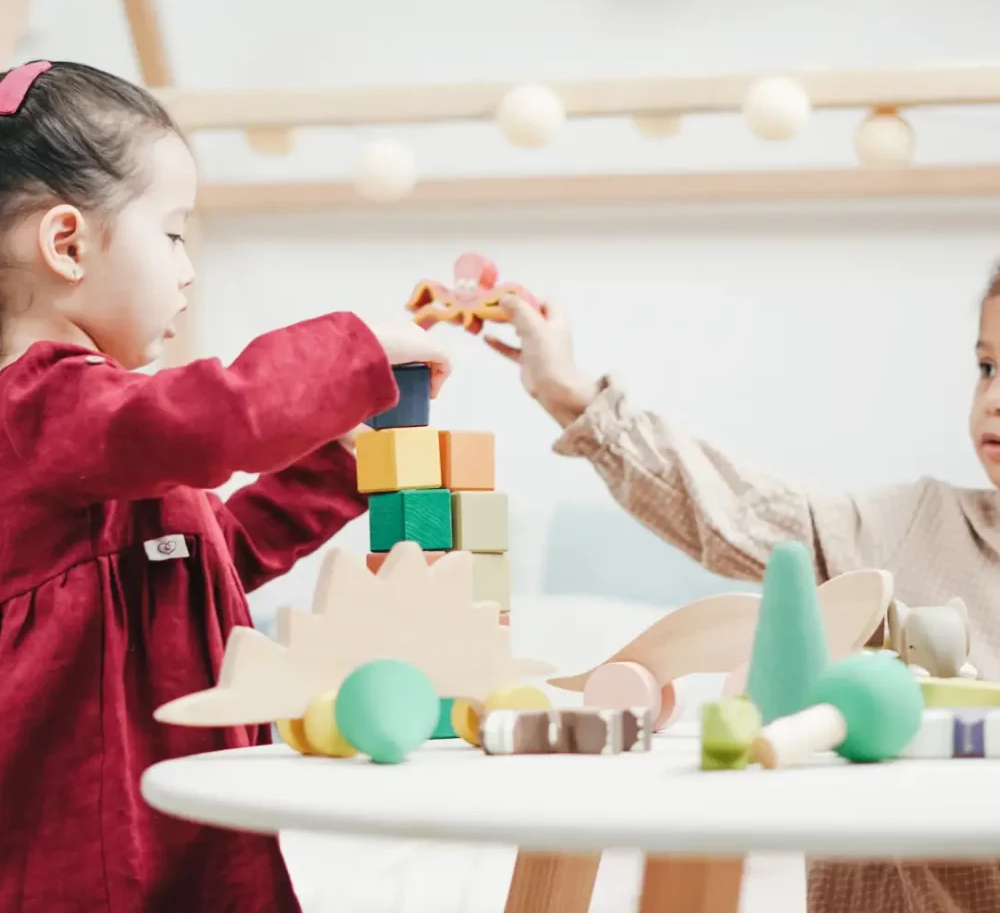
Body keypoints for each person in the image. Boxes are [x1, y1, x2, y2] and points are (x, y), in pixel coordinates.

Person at [0, 60, 452, 913]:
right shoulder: (44, 408)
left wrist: (344, 459)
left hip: (189, 811)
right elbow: (212, 422)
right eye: (172, 233)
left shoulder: (106, 439)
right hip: (93, 845)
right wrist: (356, 351)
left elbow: (217, 555)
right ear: (66, 245)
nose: (189, 268)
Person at [488, 287, 1000, 913]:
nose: (993, 399)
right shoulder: (911, 528)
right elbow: (736, 507)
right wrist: (568, 392)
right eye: (986, 368)